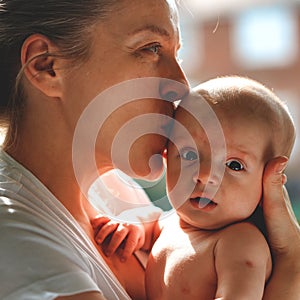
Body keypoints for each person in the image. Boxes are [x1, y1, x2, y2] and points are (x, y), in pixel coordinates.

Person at [0, 0, 299, 299]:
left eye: (176, 53)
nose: (182, 85)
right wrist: (291, 272)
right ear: (47, 65)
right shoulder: (12, 235)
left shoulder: (122, 197)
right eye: (151, 48)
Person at [144, 76, 295, 299]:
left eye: (234, 165)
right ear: (166, 158)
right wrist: (130, 233)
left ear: (267, 181)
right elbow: (145, 233)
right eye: (189, 154)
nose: (204, 176)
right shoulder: (168, 226)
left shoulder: (240, 243)